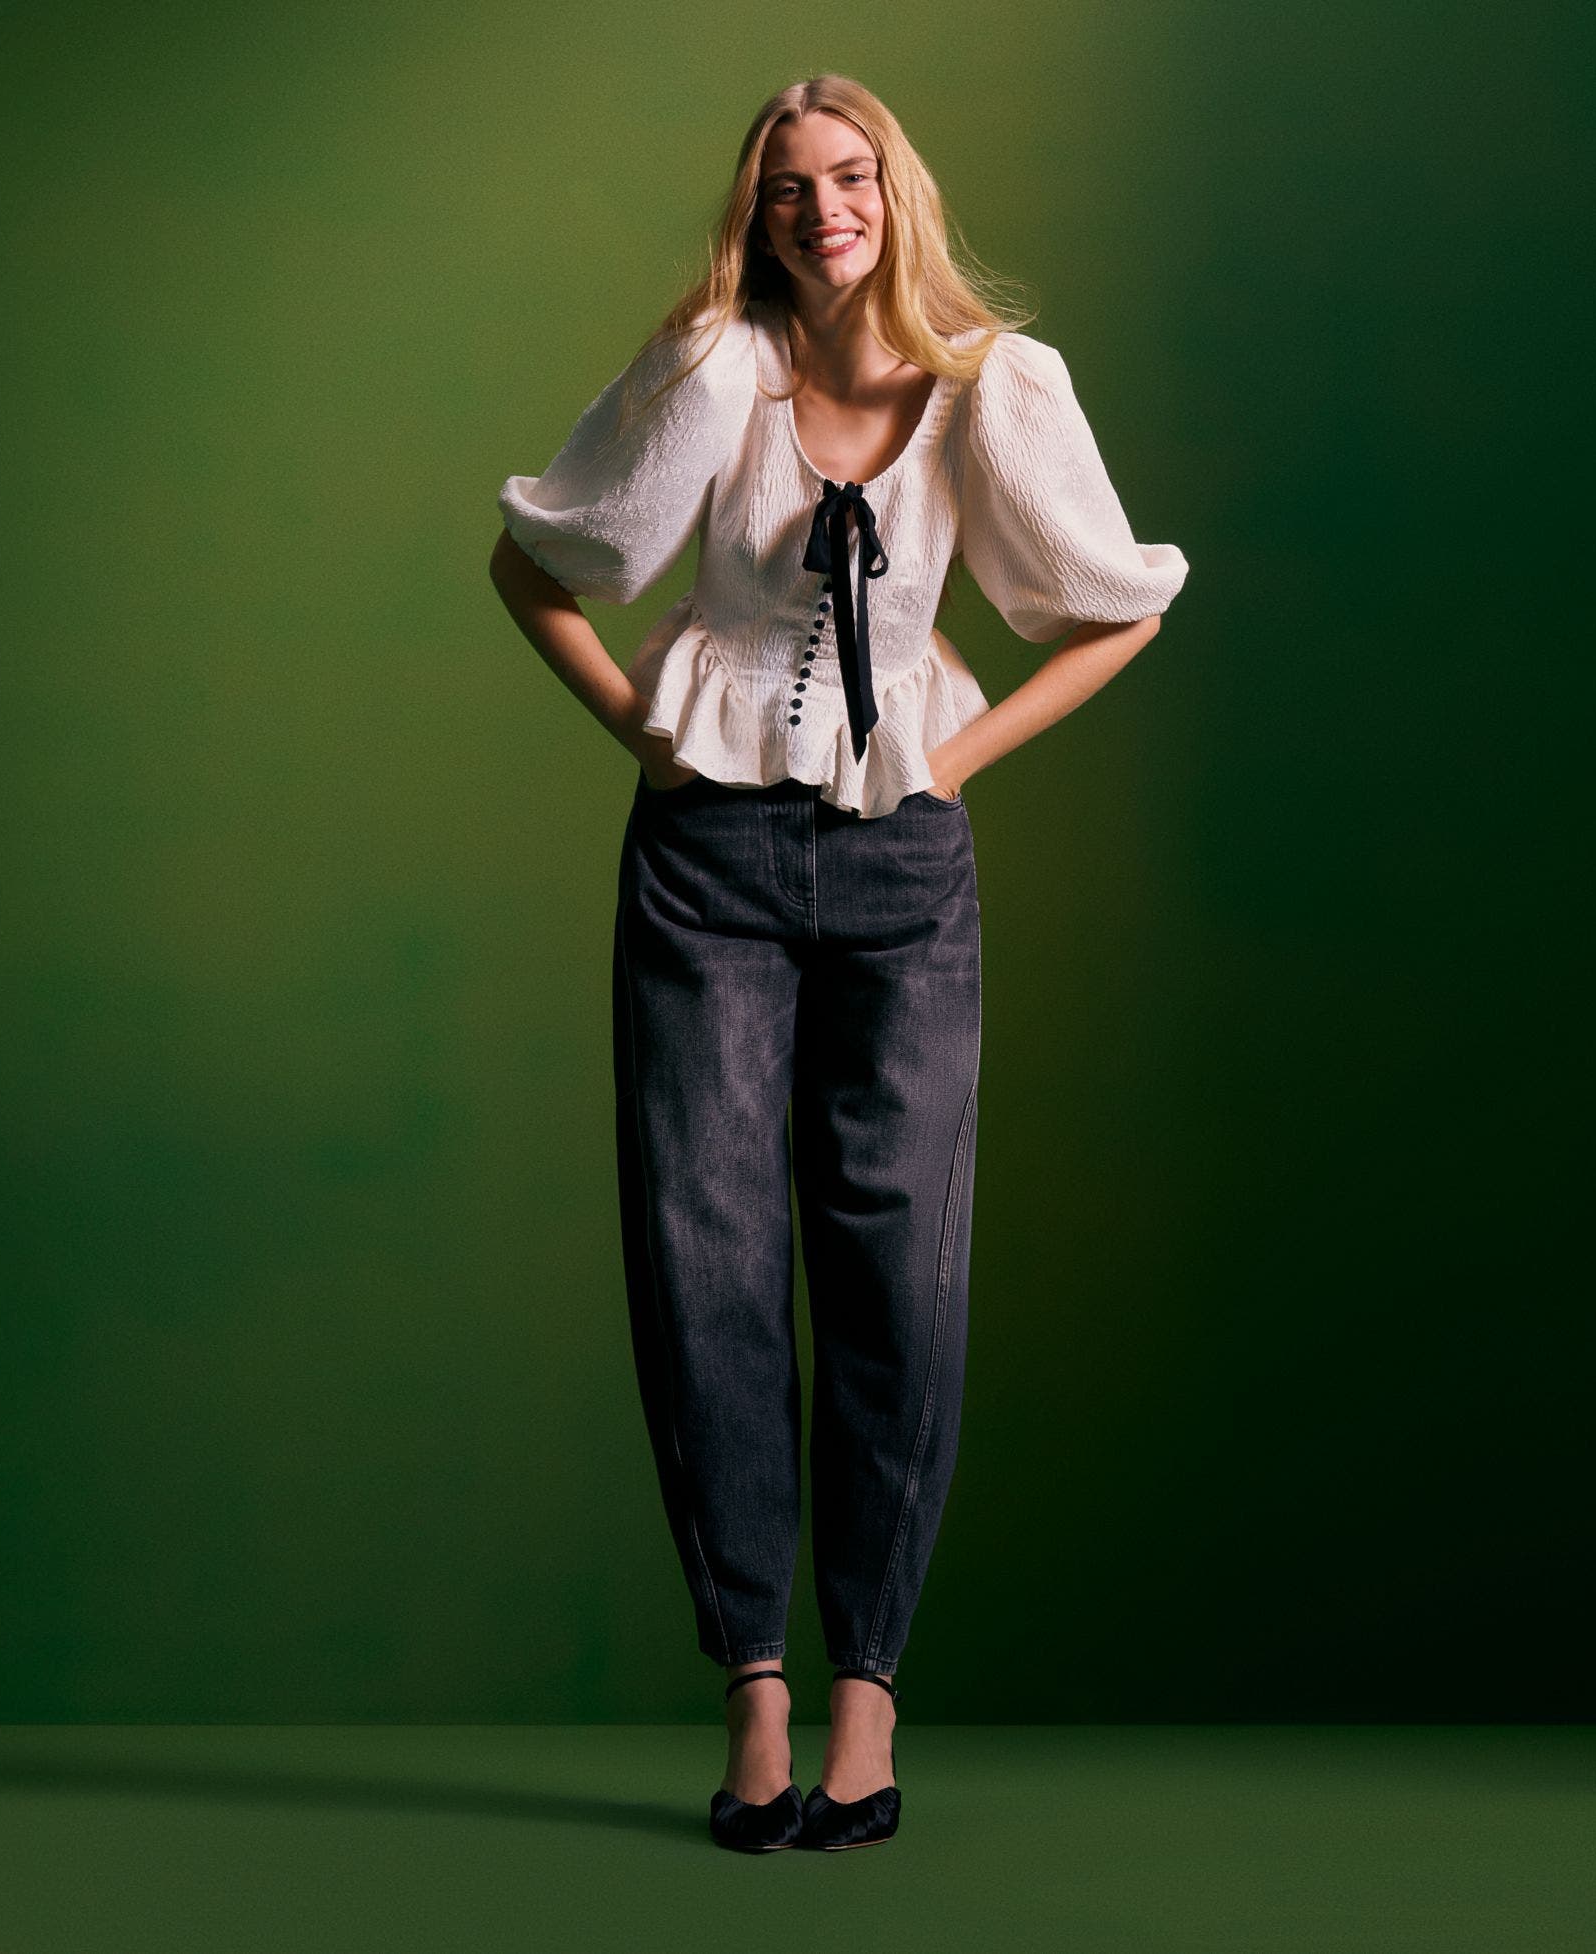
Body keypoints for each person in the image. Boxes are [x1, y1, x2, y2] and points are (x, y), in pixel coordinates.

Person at [486, 73, 1188, 1853]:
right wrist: (638, 727)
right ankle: (756, 1695)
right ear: (758, 210)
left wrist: (950, 758)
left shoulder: (988, 387)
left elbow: (1121, 604)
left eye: (850, 175)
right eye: (789, 184)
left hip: (905, 861)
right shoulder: (711, 372)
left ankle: (867, 1699)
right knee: (705, 1260)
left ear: (899, 190)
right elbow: (534, 561)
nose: (823, 209)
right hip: (707, 853)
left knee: (900, 1272)